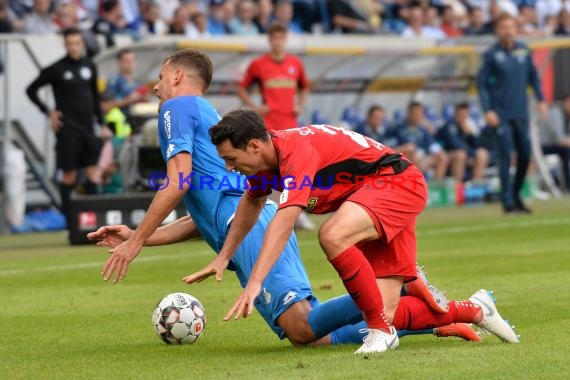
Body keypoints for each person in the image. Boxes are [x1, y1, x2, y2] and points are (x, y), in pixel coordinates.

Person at [93, 48, 478, 347]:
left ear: (177, 75)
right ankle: (428, 320)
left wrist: (136, 245)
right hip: (244, 224)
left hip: (252, 226)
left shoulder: (174, 107)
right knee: (309, 334)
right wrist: (137, 234)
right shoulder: (203, 114)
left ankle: (413, 296)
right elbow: (204, 217)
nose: (156, 87)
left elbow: (177, 182)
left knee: (302, 326)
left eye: (160, 77)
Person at [191, 109, 520, 355]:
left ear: (253, 145)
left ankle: (382, 326)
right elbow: (251, 203)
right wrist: (224, 256)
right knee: (386, 309)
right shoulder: (266, 163)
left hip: (396, 183)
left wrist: (256, 283)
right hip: (371, 196)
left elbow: (284, 219)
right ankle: (476, 309)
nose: (229, 168)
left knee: (332, 235)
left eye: (231, 159)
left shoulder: (295, 153)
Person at [237, 22, 313, 230]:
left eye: (281, 38)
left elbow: (305, 87)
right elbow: (242, 89)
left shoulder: (295, 64)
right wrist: (256, 107)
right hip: (269, 126)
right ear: (270, 40)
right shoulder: (259, 64)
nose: (278, 42)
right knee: (268, 169)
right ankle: (269, 211)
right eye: (274, 38)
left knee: (294, 169)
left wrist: (299, 104)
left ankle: (297, 212)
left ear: (285, 40)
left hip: (290, 125)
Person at [26, 27, 103, 226]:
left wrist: (101, 124)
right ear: (65, 45)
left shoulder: (90, 66)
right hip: (68, 130)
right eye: (70, 43)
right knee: (69, 175)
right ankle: (71, 224)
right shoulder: (56, 69)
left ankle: (96, 223)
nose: (74, 47)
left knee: (93, 172)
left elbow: (95, 98)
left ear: (82, 44)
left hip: (88, 128)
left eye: (77, 43)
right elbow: (31, 90)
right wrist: (48, 112)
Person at [476, 13, 548, 214]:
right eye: (503, 27)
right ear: (497, 31)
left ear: (516, 29)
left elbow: (533, 77)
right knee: (505, 157)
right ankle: (507, 202)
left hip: (520, 114)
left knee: (525, 155)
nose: (508, 31)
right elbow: (481, 86)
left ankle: (516, 195)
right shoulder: (491, 55)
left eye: (511, 26)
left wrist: (541, 99)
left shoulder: (523, 51)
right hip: (500, 116)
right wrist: (488, 110)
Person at [436, 103, 489, 183]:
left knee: (482, 153)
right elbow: (455, 144)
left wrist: (471, 134)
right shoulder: (449, 126)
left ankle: (476, 185)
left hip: (467, 154)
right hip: (449, 155)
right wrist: (472, 153)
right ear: (455, 114)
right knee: (460, 154)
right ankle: (458, 186)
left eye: (465, 114)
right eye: (461, 114)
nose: (463, 116)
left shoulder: (469, 126)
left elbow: (479, 145)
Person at [395, 101, 449, 181]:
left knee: (442, 157)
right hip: (403, 161)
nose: (416, 116)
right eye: (414, 113)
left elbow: (432, 145)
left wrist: (439, 151)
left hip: (422, 159)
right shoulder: (398, 128)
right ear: (409, 113)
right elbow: (390, 149)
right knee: (412, 150)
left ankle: (435, 187)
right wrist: (406, 148)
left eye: (419, 114)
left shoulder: (422, 129)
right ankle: (413, 185)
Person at [101, 48, 149, 118]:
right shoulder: (113, 82)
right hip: (120, 123)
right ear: (119, 63)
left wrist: (144, 99)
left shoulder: (138, 83)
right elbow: (104, 106)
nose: (130, 63)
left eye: (133, 60)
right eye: (126, 61)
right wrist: (128, 100)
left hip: (137, 121)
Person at [540, 94, 570, 192]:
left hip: (555, 145)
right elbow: (558, 139)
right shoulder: (556, 112)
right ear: (566, 101)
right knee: (566, 151)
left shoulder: (566, 115)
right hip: (543, 146)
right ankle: (567, 185)